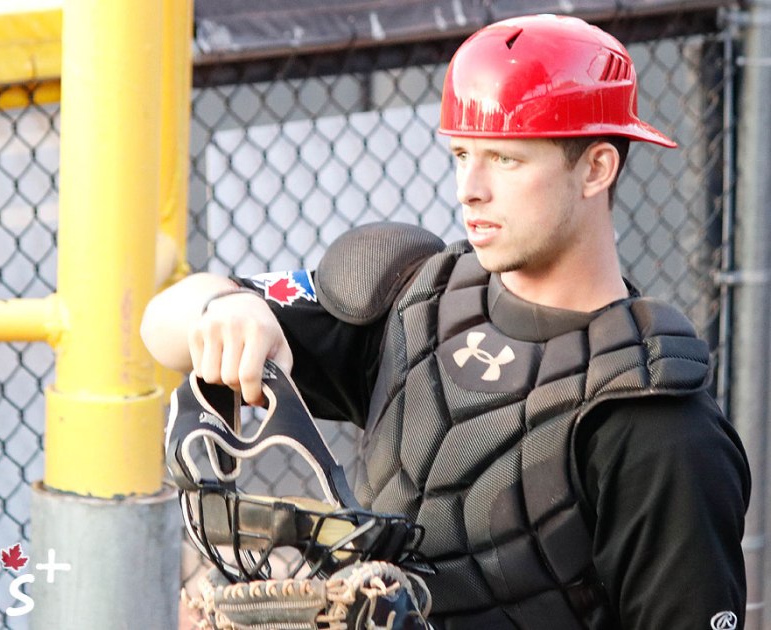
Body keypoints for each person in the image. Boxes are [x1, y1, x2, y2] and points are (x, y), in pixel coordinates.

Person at [141, 14, 750, 630]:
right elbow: (161, 325)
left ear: (595, 168)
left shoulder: (655, 424)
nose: (470, 188)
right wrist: (226, 310)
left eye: (506, 160)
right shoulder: (414, 304)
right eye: (462, 153)